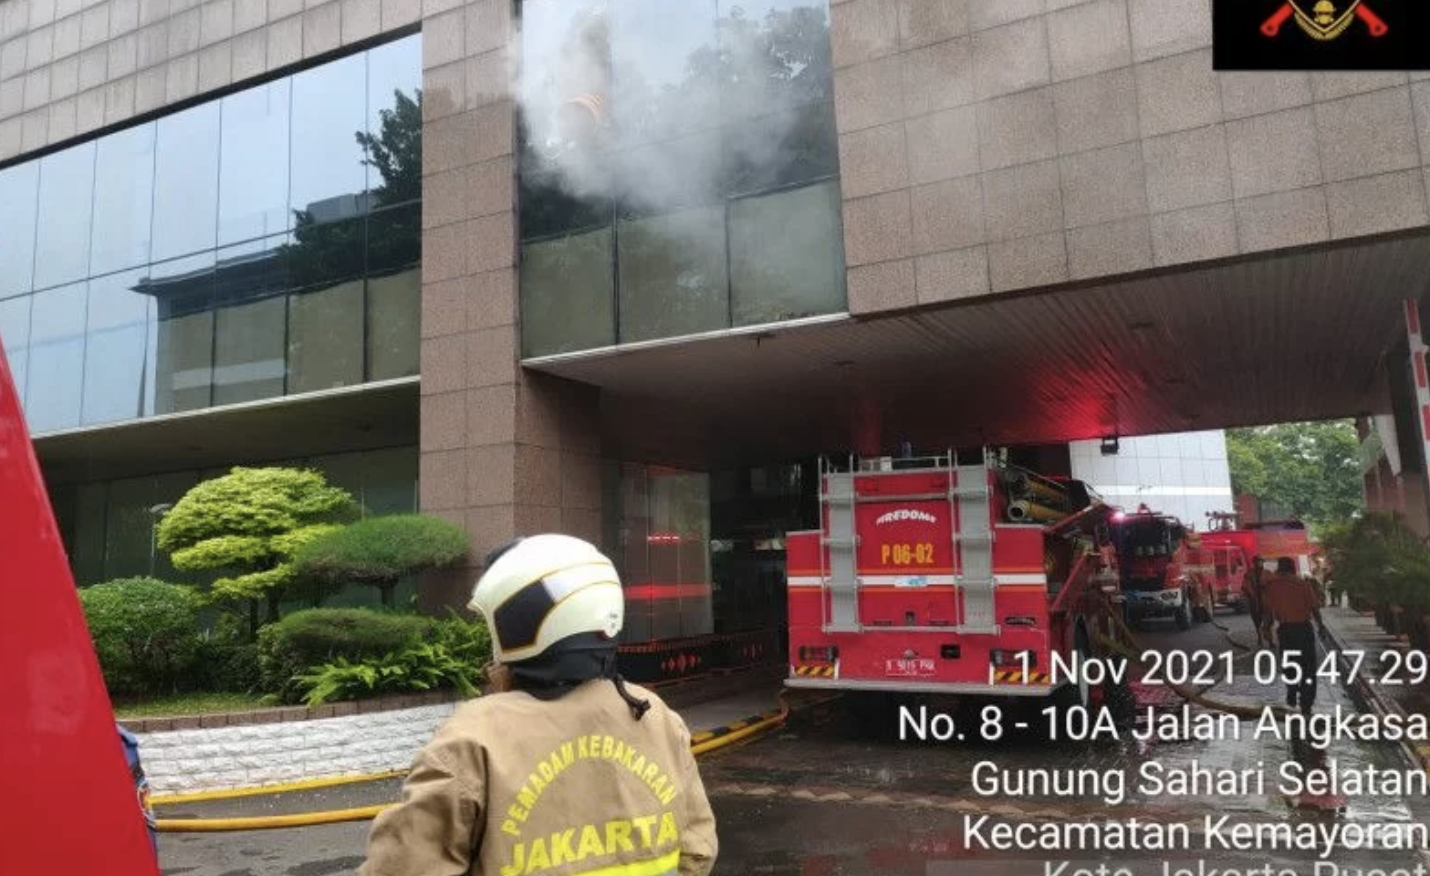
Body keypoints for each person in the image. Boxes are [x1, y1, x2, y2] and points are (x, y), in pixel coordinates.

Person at [358, 533, 719, 876]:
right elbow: (697, 848)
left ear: (519, 621)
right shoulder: (653, 715)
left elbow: (403, 865)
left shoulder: (474, 738)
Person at [1260, 556, 1324, 717]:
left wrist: (1266, 628)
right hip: (1303, 630)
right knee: (1308, 668)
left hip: (1286, 631)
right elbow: (1314, 607)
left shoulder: (1271, 586)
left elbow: (1269, 611)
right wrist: (1320, 626)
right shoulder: (1302, 584)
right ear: (1293, 568)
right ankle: (1306, 703)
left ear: (1279, 569)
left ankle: (1292, 689)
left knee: (1289, 664)